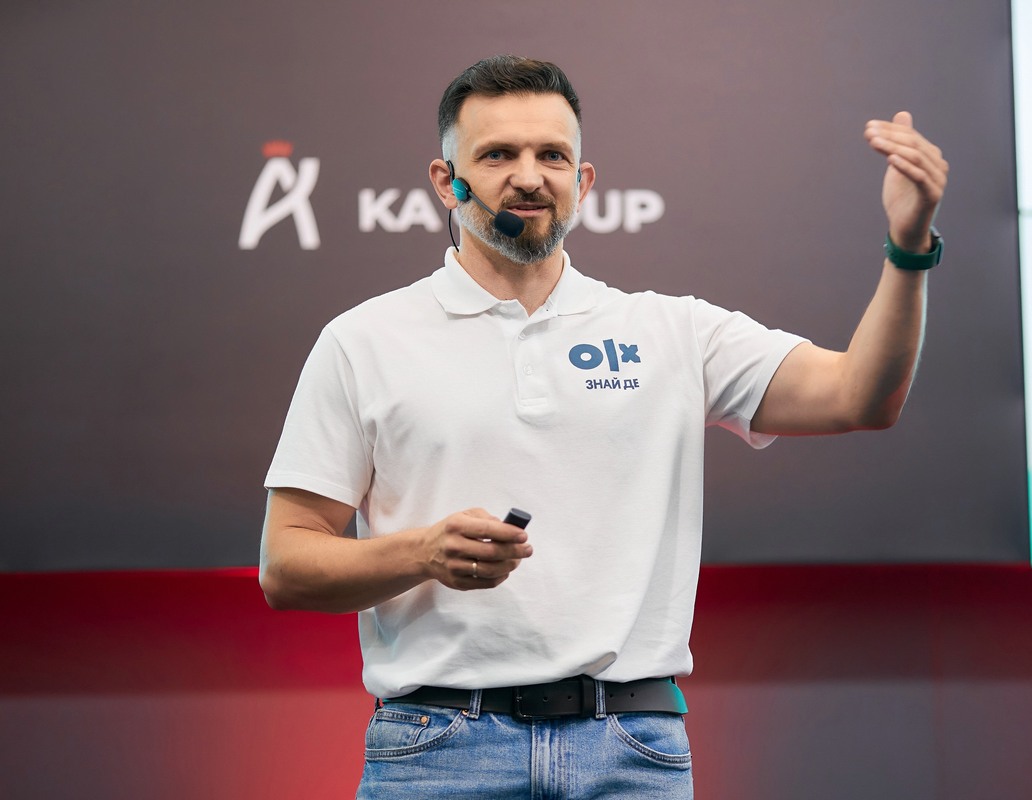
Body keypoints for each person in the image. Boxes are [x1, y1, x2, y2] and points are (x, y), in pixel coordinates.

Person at [260, 55, 947, 799]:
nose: (529, 177)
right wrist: (422, 552)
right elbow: (286, 568)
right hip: (437, 750)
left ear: (583, 182)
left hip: (632, 751)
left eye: (553, 156)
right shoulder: (363, 340)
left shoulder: (672, 331)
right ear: (445, 180)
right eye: (498, 155)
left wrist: (909, 247)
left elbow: (861, 395)